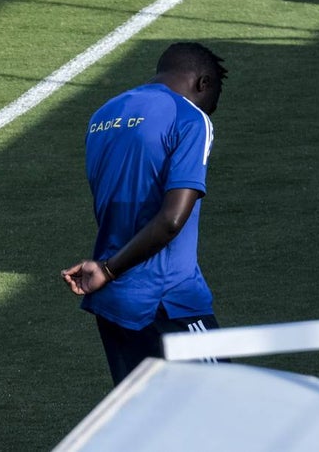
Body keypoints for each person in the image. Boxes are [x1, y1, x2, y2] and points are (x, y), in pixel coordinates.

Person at [61, 42, 229, 385]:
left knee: (147, 421)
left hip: (114, 305)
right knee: (231, 406)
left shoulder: (103, 116)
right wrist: (108, 269)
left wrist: (108, 271)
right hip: (168, 296)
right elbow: (171, 219)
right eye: (211, 105)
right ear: (203, 84)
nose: (208, 112)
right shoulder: (189, 118)